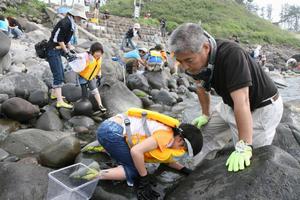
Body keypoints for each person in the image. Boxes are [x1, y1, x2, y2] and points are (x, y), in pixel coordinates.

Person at [169, 23, 283, 172]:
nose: (184, 67)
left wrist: (244, 145)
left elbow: (242, 102)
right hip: (228, 104)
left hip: (260, 108)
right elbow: (200, 86)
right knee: (204, 135)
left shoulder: (231, 54)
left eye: (188, 60)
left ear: (206, 47)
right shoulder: (192, 60)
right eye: (180, 61)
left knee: (252, 161)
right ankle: (195, 173)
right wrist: (205, 113)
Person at [81, 108, 203, 200]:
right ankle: (93, 174)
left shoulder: (172, 135)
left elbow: (166, 158)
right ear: (181, 140)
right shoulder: (164, 137)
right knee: (133, 170)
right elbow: (136, 151)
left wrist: (184, 169)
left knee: (135, 161)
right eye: (184, 149)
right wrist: (144, 177)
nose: (181, 151)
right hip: (112, 133)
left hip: (110, 126)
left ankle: (104, 147)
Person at [46, 4, 87, 109]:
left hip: (57, 49)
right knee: (58, 75)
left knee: (60, 72)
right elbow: (59, 40)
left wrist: (71, 49)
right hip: (53, 50)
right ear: (75, 15)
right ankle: (59, 101)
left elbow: (66, 40)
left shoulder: (71, 23)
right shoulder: (66, 23)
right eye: (80, 17)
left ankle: (54, 94)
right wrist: (67, 52)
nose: (81, 19)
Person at [77, 42, 107, 113]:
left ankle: (100, 105)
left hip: (91, 78)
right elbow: (81, 56)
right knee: (84, 93)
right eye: (96, 52)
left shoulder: (100, 58)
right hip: (83, 77)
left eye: (100, 52)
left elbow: (98, 68)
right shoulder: (88, 57)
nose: (98, 54)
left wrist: (99, 75)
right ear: (92, 52)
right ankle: (84, 105)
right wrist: (79, 57)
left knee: (95, 91)